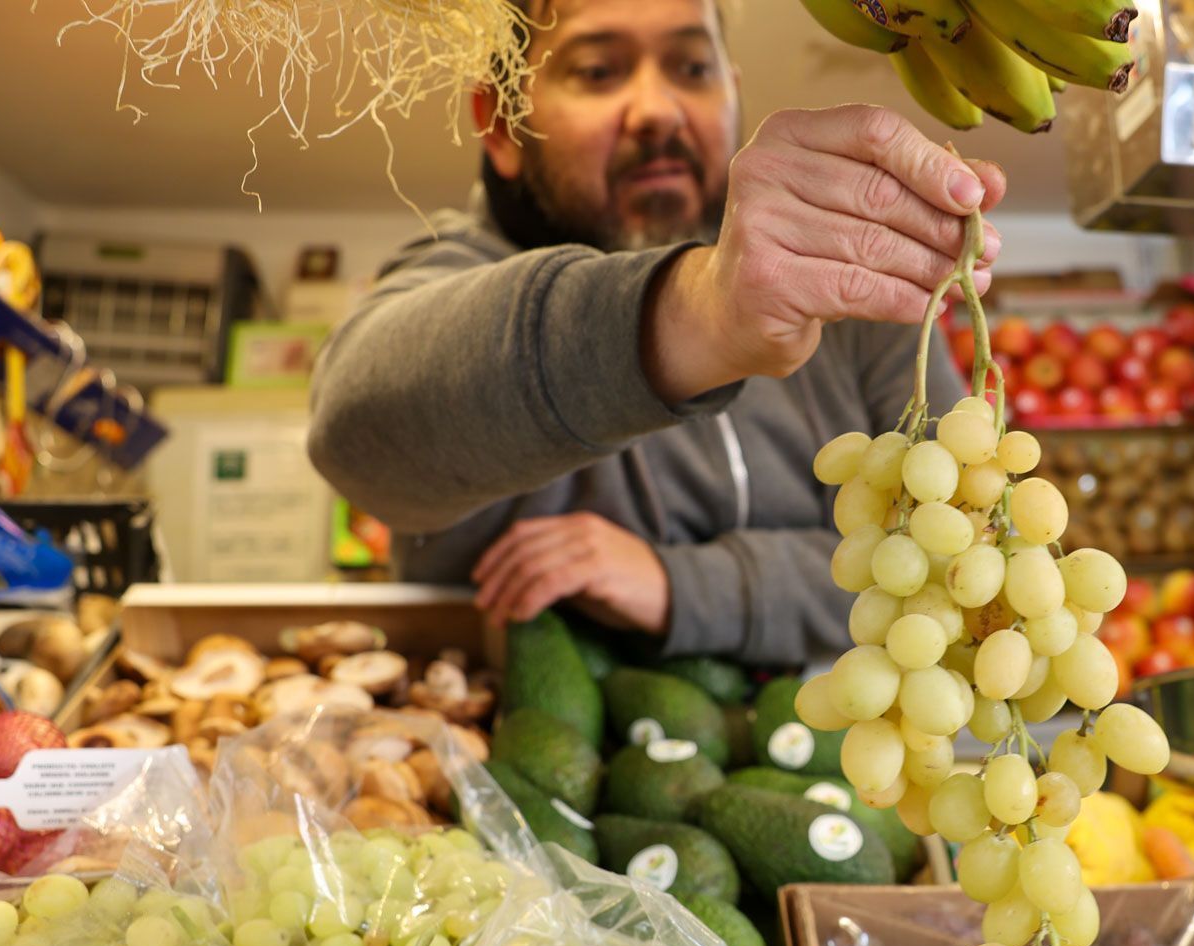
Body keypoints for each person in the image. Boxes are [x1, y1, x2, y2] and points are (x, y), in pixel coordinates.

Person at [307, 0, 1005, 666]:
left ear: (732, 99)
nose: (657, 110)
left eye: (692, 68)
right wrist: (694, 314)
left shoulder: (848, 291)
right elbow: (354, 431)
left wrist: (681, 584)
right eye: (597, 71)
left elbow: (952, 564)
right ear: (500, 123)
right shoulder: (452, 272)